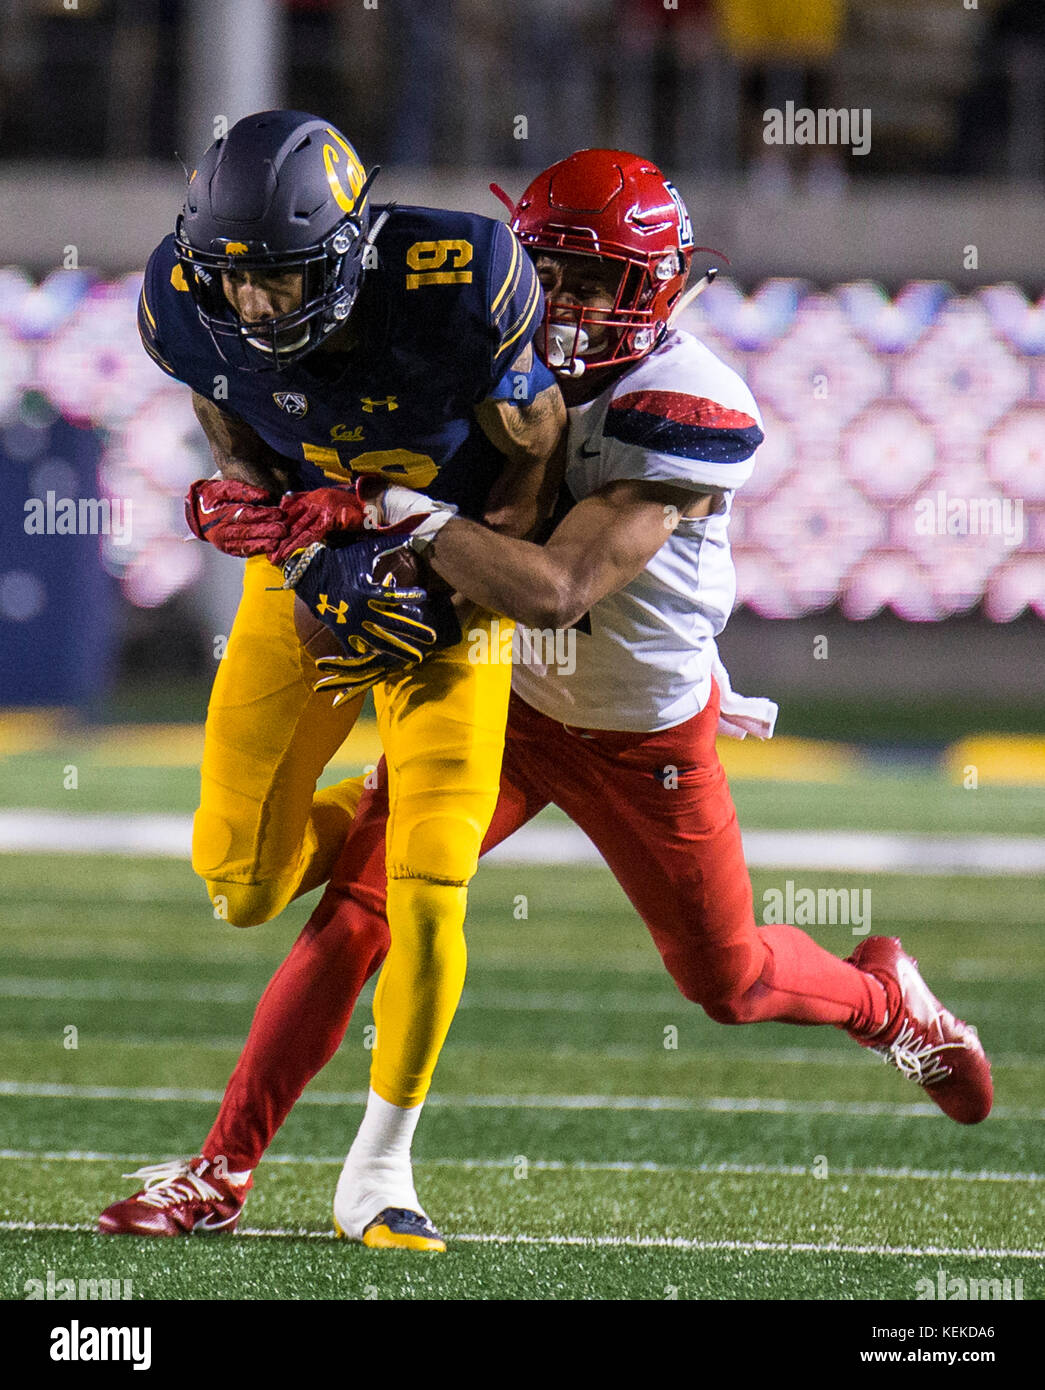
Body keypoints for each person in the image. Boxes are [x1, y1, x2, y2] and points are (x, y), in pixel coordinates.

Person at [100, 149, 991, 1249]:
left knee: (727, 976)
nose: (562, 302)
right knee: (367, 908)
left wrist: (375, 509)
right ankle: (219, 1170)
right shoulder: (465, 335)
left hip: (632, 728)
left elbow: (562, 588)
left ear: (655, 286)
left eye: (594, 281)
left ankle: (884, 999)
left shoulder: (684, 400)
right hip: (503, 699)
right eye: (548, 269)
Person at [126, 109, 566, 1248]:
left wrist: (449, 591)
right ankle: (368, 817)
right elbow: (224, 412)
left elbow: (533, 460)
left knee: (428, 886)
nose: (257, 305)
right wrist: (259, 506)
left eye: (279, 278)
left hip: (447, 591)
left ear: (349, 250)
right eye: (235, 280)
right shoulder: (188, 297)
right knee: (241, 885)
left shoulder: (456, 280)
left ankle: (378, 1173)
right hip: (306, 578)